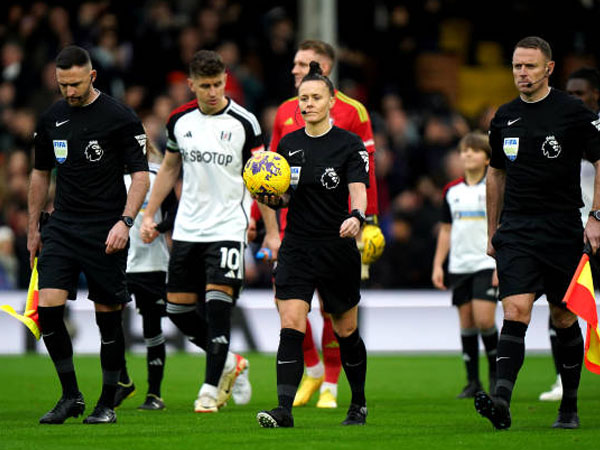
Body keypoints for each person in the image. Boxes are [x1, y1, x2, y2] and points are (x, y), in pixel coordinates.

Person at [140, 50, 278, 413]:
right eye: (206, 86)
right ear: (191, 85)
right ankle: (232, 361)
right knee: (178, 311)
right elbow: (169, 169)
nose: (214, 92)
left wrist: (269, 230)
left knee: (218, 308)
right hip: (187, 228)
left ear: (225, 80)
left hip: (227, 228)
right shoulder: (179, 121)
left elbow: (261, 177)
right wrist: (150, 214)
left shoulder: (245, 122)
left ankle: (210, 388)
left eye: (218, 84)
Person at [474, 36, 600, 430]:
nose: (522, 73)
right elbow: (495, 173)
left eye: (529, 66)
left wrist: (595, 216)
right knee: (516, 311)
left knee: (564, 318)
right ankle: (501, 401)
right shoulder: (504, 116)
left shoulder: (572, 111)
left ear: (548, 68)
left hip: (563, 228)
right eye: (516, 66)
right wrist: (493, 229)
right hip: (517, 230)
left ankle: (570, 406)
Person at [27, 45, 150, 424]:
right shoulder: (51, 118)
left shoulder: (119, 117)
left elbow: (141, 176)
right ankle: (71, 397)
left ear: (92, 76)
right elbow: (40, 173)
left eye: (76, 84)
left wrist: (125, 222)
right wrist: (33, 227)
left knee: (107, 320)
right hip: (62, 225)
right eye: (63, 84)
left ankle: (107, 403)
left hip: (105, 228)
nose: (69, 92)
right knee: (47, 311)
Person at [256, 61, 369, 428]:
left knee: (345, 330)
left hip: (336, 247)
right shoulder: (288, 145)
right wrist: (267, 194)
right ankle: (283, 410)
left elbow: (358, 191)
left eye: (315, 97)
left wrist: (357, 217)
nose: (308, 104)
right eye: (303, 98)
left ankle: (358, 404)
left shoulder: (349, 145)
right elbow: (284, 197)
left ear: (332, 101)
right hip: (298, 246)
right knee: (291, 323)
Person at [539, 66, 600, 402]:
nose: (575, 99)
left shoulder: (591, 131)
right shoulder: (560, 126)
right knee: (561, 303)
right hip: (571, 230)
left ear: (596, 95)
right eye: (571, 93)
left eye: (581, 93)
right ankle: (563, 381)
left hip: (596, 222)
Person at [431, 132, 498, 399]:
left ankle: (496, 375)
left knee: (485, 320)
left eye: (474, 150)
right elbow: (446, 230)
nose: (468, 154)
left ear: (486, 159)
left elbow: (502, 227)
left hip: (485, 262)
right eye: (464, 150)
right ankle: (473, 381)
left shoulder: (494, 187)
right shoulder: (451, 191)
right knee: (467, 323)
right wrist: (438, 265)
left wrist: (500, 265)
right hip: (459, 265)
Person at [119, 139, 178, 410]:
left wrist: (158, 227)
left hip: (151, 264)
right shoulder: (109, 176)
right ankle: (122, 382)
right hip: (117, 261)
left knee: (152, 327)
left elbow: (175, 213)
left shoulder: (157, 175)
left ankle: (154, 393)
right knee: (109, 324)